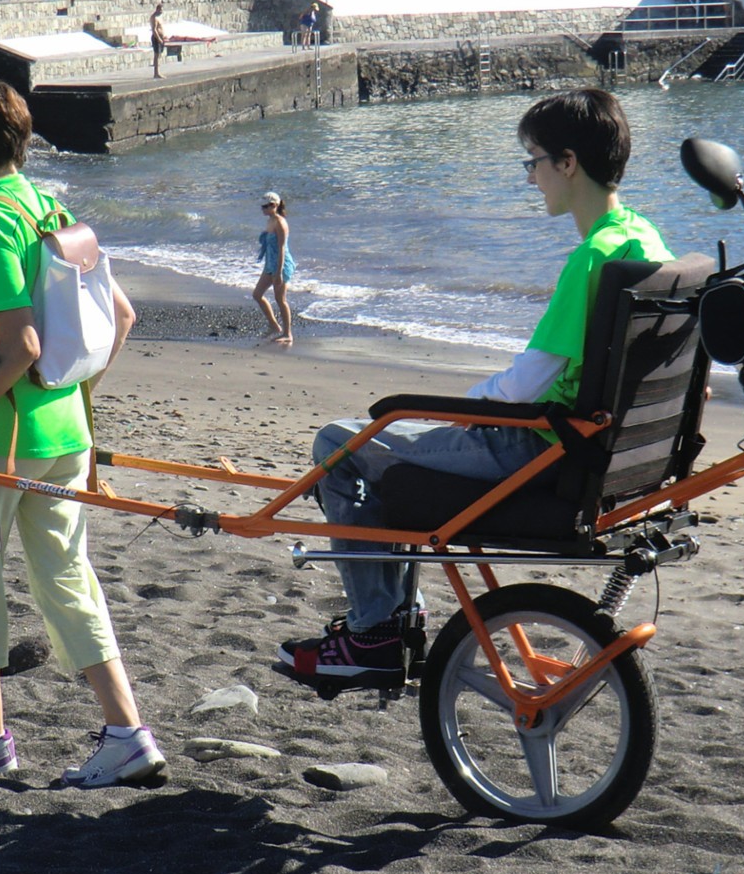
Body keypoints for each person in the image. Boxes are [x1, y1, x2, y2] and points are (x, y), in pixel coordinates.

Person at [277, 88, 673, 690]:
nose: (531, 177)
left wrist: (469, 407)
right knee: (388, 444)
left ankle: (374, 630)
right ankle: (393, 618)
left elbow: (529, 381)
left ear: (568, 163)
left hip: (533, 448)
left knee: (340, 443)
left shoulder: (594, 258)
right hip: (602, 448)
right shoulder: (643, 237)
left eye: (534, 161)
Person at [0, 76, 167, 788]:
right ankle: (125, 731)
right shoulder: (50, 206)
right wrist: (74, 397)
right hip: (65, 434)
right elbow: (119, 318)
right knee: (67, 580)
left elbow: (18, 344)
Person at [252, 190, 296, 346]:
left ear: (275, 205)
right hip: (270, 263)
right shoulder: (269, 220)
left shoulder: (280, 223)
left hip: (281, 265)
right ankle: (273, 325)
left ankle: (287, 334)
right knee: (257, 294)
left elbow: (282, 248)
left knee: (280, 299)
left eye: (266, 206)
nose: (263, 209)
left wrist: (278, 273)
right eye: (262, 206)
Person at [150, 2, 167, 79]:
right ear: (157, 9)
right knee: (157, 55)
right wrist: (159, 38)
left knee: (159, 55)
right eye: (161, 10)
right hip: (156, 38)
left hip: (161, 37)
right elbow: (154, 29)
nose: (161, 12)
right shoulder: (154, 17)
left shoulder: (159, 17)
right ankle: (156, 73)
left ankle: (157, 72)